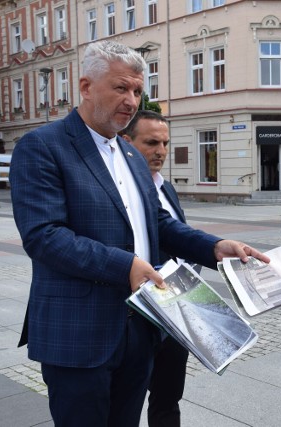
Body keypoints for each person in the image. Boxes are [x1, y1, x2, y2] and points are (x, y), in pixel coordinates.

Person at [9, 40, 269, 427]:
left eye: (136, 90)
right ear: (85, 87)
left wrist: (214, 247)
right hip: (80, 332)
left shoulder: (130, 154)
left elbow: (158, 224)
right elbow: (44, 236)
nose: (131, 100)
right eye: (120, 88)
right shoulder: (42, 147)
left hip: (141, 328)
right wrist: (125, 265)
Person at [120, 110, 188, 427]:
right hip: (136, 315)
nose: (160, 151)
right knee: (125, 403)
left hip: (174, 310)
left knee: (168, 398)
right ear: (126, 143)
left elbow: (178, 238)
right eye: (151, 142)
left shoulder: (166, 188)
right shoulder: (119, 191)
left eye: (164, 143)